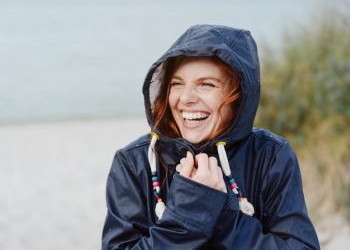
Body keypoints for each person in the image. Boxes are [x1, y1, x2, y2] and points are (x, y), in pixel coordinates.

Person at [102, 24, 320, 249]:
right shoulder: (134, 162)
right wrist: (187, 214)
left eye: (206, 84)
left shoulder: (271, 156)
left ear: (239, 95)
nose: (186, 98)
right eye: (177, 84)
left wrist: (224, 216)